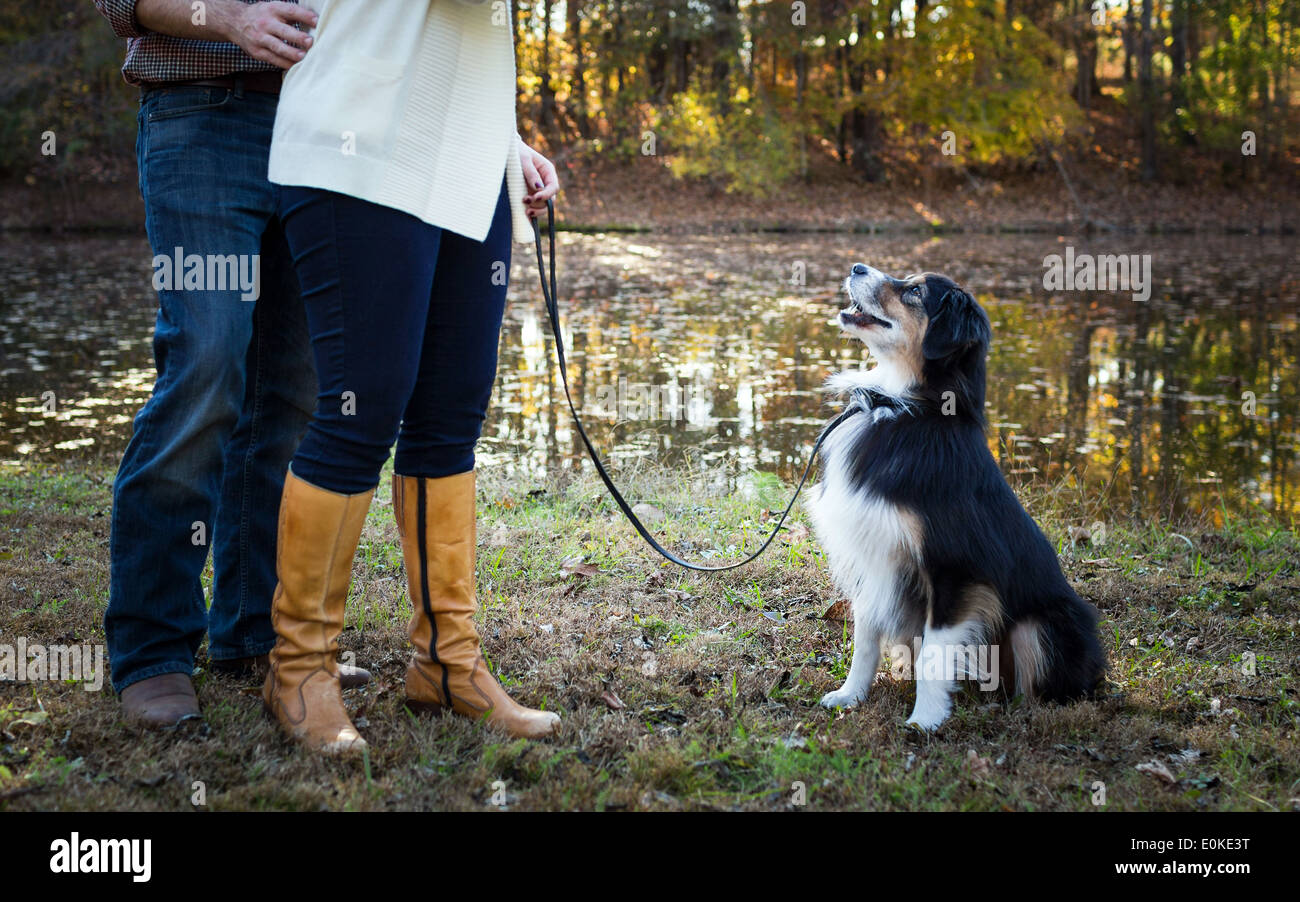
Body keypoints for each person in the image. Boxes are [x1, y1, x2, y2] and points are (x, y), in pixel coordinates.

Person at [260, 0, 562, 753]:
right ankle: (299, 668)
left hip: (467, 159)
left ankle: (447, 663)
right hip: (362, 142)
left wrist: (505, 137)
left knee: (451, 416)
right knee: (360, 415)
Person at [94, 0, 369, 728]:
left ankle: (253, 632)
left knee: (294, 391)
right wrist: (228, 17)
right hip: (202, 114)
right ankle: (153, 650)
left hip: (326, 127)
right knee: (207, 364)